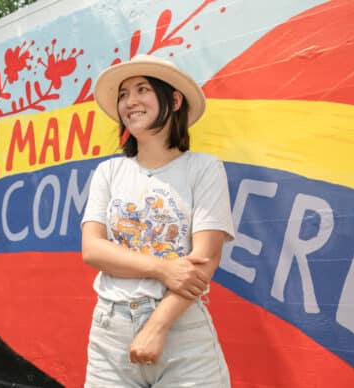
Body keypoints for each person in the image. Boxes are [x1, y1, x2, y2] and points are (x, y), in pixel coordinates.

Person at [81, 54, 235, 387]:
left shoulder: (205, 169)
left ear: (174, 100)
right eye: (123, 94)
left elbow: (203, 261)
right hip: (109, 333)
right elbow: (92, 249)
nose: (129, 102)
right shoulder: (109, 172)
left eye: (142, 89)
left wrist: (156, 326)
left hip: (183, 336)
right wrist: (163, 268)